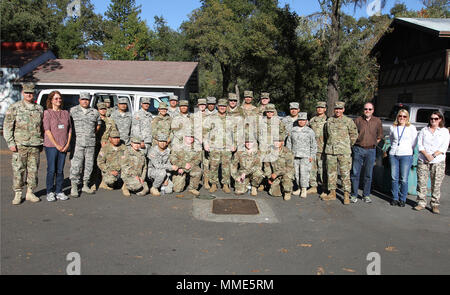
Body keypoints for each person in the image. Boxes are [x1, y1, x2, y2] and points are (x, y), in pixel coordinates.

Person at [3, 83, 43, 205]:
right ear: (22, 93)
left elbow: (41, 127)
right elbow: (7, 126)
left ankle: (30, 192)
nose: (29, 95)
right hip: (20, 145)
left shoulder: (39, 109)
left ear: (34, 94)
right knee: (18, 170)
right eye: (26, 92)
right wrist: (10, 142)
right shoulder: (15, 107)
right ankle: (18, 193)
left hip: (35, 145)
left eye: (31, 93)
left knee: (33, 170)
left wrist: (40, 142)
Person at [322, 101, 358, 205]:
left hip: (344, 152)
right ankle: (332, 193)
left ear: (343, 110)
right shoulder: (329, 120)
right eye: (336, 109)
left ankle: (346, 194)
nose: (338, 111)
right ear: (334, 110)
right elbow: (325, 135)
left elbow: (354, 134)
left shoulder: (348, 121)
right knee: (331, 173)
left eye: (340, 109)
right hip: (331, 151)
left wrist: (347, 145)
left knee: (345, 173)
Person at [415, 111, 449, 214]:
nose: (433, 120)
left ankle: (434, 204)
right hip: (423, 160)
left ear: (440, 120)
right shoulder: (424, 131)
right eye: (431, 119)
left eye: (435, 119)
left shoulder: (444, 132)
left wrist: (433, 156)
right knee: (422, 182)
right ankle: (421, 203)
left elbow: (444, 147)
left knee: (436, 184)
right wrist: (426, 155)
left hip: (438, 161)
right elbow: (420, 145)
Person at [69, 92, 102, 197]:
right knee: (76, 165)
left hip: (90, 143)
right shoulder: (73, 111)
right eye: (83, 99)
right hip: (77, 143)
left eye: (87, 99)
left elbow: (98, 126)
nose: (85, 101)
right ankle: (74, 186)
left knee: (89, 165)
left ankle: (85, 185)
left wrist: (90, 135)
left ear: (89, 100)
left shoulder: (95, 112)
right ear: (79, 100)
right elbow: (68, 126)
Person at [350, 102, 383, 203]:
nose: (367, 111)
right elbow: (352, 134)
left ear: (373, 110)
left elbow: (379, 136)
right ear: (363, 110)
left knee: (368, 174)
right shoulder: (357, 120)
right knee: (355, 173)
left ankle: (366, 195)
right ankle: (354, 194)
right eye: (365, 109)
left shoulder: (377, 121)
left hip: (371, 150)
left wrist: (372, 144)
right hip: (358, 149)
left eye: (369, 109)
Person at [43, 90, 72, 202]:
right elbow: (47, 130)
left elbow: (70, 130)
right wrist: (56, 145)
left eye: (59, 98)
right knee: (51, 169)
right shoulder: (47, 113)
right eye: (56, 98)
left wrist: (67, 144)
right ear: (51, 100)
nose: (58, 100)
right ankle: (50, 191)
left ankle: (59, 191)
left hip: (64, 146)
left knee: (60, 170)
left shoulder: (65, 113)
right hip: (51, 146)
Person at [203, 98, 236, 193]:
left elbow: (236, 132)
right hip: (214, 147)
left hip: (227, 147)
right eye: (220, 106)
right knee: (213, 166)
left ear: (226, 107)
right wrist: (206, 143)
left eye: (224, 106)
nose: (222, 108)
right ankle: (213, 184)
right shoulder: (211, 118)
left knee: (226, 167)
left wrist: (234, 144)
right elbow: (205, 131)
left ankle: (225, 185)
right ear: (217, 106)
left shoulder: (231, 119)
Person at [388, 109, 417, 207]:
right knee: (393, 178)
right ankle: (395, 198)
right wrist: (395, 149)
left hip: (406, 155)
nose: (402, 118)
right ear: (397, 117)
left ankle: (403, 199)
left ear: (407, 118)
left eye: (404, 116)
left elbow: (414, 142)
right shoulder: (393, 127)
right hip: (394, 155)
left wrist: (408, 150)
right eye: (400, 116)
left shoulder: (411, 128)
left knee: (404, 179)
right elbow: (392, 140)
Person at [286, 113, 317, 198]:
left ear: (306, 121)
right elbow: (289, 143)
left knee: (304, 173)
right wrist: (289, 154)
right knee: (296, 173)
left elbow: (313, 145)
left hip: (305, 156)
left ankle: (304, 189)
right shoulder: (293, 130)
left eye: (303, 120)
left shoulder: (310, 131)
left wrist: (312, 155)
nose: (301, 122)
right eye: (300, 120)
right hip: (295, 155)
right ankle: (299, 188)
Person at [258, 104, 286, 191]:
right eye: (268, 112)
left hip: (274, 147)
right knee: (264, 166)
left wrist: (281, 142)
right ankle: (264, 183)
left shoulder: (278, 121)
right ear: (265, 112)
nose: (269, 113)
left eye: (271, 112)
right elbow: (257, 133)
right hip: (264, 147)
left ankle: (273, 183)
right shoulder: (261, 121)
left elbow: (282, 132)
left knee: (274, 165)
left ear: (274, 112)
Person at [169, 131, 202, 196]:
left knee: (198, 171)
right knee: (177, 190)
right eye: (188, 136)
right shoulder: (177, 145)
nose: (190, 138)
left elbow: (198, 160)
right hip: (179, 168)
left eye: (192, 137)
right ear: (184, 137)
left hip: (191, 167)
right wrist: (183, 165)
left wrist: (185, 168)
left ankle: (192, 188)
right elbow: (172, 158)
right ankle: (184, 180)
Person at [308, 101, 328, 197]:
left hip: (322, 148)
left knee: (322, 169)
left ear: (325, 109)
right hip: (312, 149)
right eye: (318, 107)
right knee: (312, 169)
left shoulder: (328, 120)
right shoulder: (312, 120)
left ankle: (324, 188)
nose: (319, 109)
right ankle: (313, 186)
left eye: (321, 107)